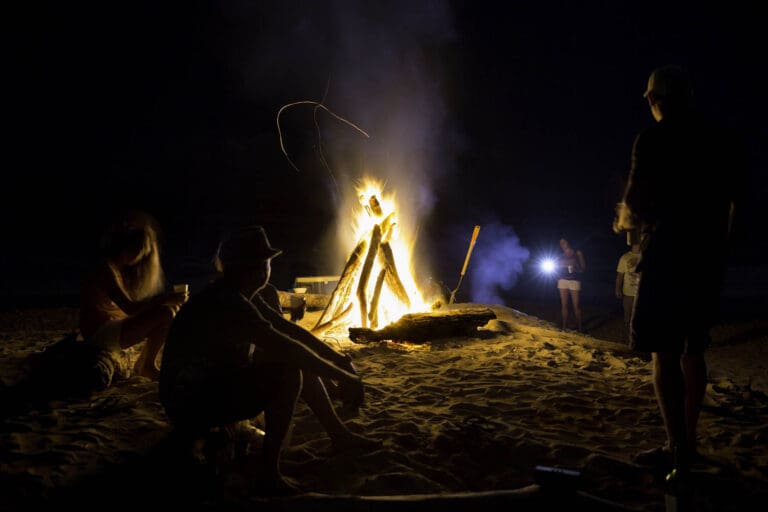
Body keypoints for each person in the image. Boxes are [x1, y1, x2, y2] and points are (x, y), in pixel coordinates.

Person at [158, 225, 381, 494]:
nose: (268, 268)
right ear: (255, 268)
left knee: (292, 358)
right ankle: (268, 472)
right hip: (190, 403)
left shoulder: (237, 293)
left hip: (203, 387)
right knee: (288, 370)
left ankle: (339, 436)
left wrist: (340, 362)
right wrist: (344, 377)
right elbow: (286, 345)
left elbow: (290, 331)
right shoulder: (231, 304)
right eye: (266, 262)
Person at [614, 65, 740, 470]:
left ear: (654, 100)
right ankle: (691, 438)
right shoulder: (718, 139)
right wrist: (720, 244)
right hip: (706, 258)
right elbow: (736, 201)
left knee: (664, 354)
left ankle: (677, 447)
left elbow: (634, 202)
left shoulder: (652, 139)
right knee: (693, 350)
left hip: (666, 254)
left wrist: (645, 223)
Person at [79, 210, 189, 382]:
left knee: (169, 311)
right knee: (166, 312)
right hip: (99, 334)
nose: (142, 257)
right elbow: (130, 308)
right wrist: (164, 299)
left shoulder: (116, 269)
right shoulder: (106, 269)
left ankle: (145, 363)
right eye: (142, 251)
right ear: (131, 247)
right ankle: (146, 365)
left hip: (109, 328)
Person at [556, 237, 586, 332]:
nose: (562, 245)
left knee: (576, 305)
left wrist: (575, 268)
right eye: (560, 243)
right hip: (562, 280)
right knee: (564, 305)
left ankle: (580, 329)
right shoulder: (560, 255)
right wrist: (558, 267)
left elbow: (583, 269)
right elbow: (555, 267)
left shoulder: (577, 253)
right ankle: (564, 328)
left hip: (574, 281)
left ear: (568, 242)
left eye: (564, 242)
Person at [615, 240, 641, 341]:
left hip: (640, 293)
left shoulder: (645, 256)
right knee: (628, 316)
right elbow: (620, 275)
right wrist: (617, 289)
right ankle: (627, 338)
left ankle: (637, 340)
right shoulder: (625, 257)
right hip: (628, 292)